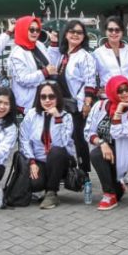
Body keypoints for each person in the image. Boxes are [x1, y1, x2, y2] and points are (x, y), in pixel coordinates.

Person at [85, 76, 128, 211]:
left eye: (127, 89)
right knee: (96, 154)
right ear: (112, 92)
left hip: (121, 155)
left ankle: (117, 183)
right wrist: (102, 143)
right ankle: (109, 194)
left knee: (100, 154)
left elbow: (117, 133)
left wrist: (119, 111)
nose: (125, 94)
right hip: (104, 151)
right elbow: (88, 132)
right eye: (120, 91)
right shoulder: (99, 106)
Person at [18, 81, 75, 209]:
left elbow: (63, 144)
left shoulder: (66, 117)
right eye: (43, 97)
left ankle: (51, 192)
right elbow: (24, 140)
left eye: (51, 96)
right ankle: (43, 186)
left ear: (57, 97)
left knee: (56, 151)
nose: (47, 100)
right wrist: (31, 162)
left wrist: (57, 118)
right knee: (35, 184)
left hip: (60, 161)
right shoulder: (31, 115)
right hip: (38, 160)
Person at [55, 19, 98, 172]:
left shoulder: (84, 56)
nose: (75, 35)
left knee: (79, 139)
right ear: (66, 34)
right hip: (64, 104)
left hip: (77, 106)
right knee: (66, 138)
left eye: (79, 32)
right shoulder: (64, 55)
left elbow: (90, 81)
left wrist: (87, 103)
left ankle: (84, 173)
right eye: (72, 31)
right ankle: (69, 172)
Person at [7, 17, 56, 114]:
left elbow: (49, 63)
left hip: (45, 98)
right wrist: (44, 72)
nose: (35, 33)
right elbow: (23, 79)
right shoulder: (17, 54)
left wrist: (54, 44)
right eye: (31, 29)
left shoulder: (38, 45)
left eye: (38, 30)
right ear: (23, 30)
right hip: (29, 103)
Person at [94, 16, 128, 99]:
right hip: (109, 98)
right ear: (106, 32)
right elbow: (88, 75)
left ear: (122, 32)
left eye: (117, 30)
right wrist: (95, 90)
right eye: (110, 30)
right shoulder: (98, 53)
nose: (114, 33)